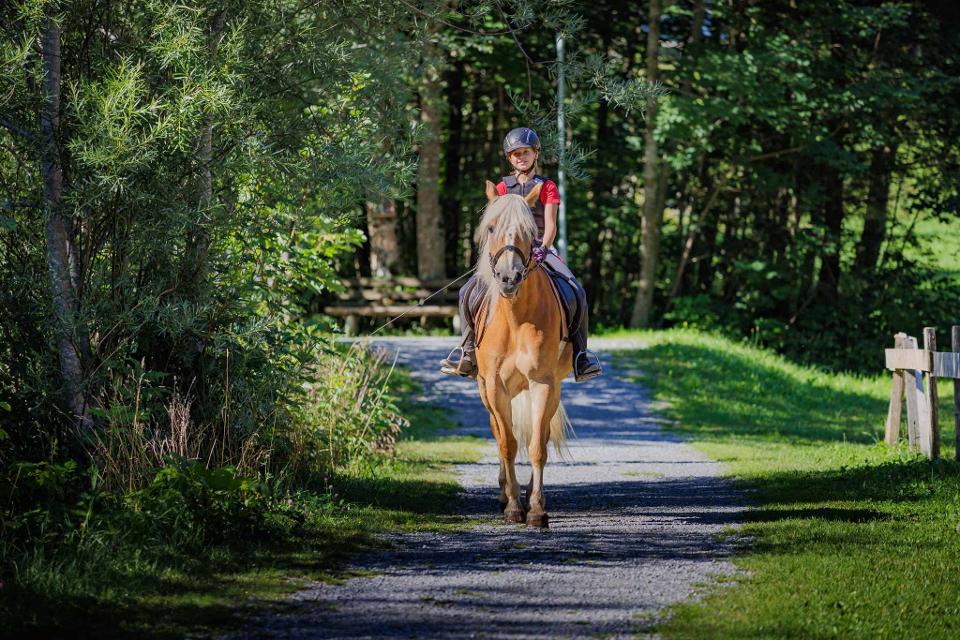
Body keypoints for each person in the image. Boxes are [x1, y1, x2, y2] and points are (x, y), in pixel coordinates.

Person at [440, 127, 602, 382]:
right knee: (466, 292)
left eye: (525, 153)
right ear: (509, 158)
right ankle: (467, 350)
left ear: (535, 154)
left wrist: (543, 248)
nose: (520, 158)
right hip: (508, 251)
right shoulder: (503, 188)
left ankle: (581, 355)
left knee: (576, 290)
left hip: (539, 249)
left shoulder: (546, 186)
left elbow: (550, 225)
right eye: (515, 154)